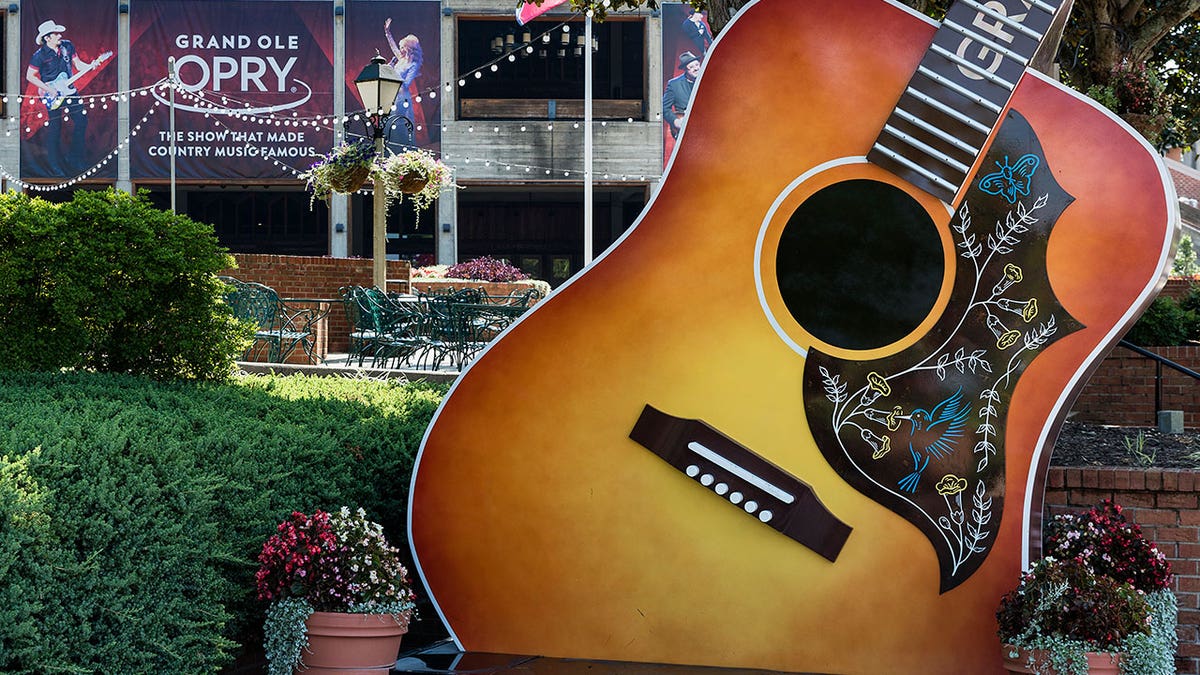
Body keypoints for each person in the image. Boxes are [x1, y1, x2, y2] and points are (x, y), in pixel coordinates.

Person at [26, 19, 101, 176]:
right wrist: (48, 89)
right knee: (55, 128)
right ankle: (55, 165)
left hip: (69, 90)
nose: (60, 35)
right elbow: (30, 76)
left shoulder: (67, 46)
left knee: (81, 120)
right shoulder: (39, 56)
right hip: (51, 94)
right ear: (47, 38)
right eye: (56, 33)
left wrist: (90, 66)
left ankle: (75, 159)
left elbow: (77, 64)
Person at [384, 18, 423, 146]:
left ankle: (399, 148)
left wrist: (392, 72)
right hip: (392, 94)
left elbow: (406, 84)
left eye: (402, 47)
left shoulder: (413, 64)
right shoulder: (400, 59)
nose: (400, 49)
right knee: (388, 123)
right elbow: (392, 46)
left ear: (408, 48)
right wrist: (387, 32)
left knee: (399, 124)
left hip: (401, 97)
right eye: (400, 47)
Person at [662, 51, 701, 140]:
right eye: (691, 67)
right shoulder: (674, 84)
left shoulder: (708, 80)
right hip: (686, 131)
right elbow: (664, 108)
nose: (696, 68)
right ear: (685, 70)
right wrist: (675, 121)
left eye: (697, 65)